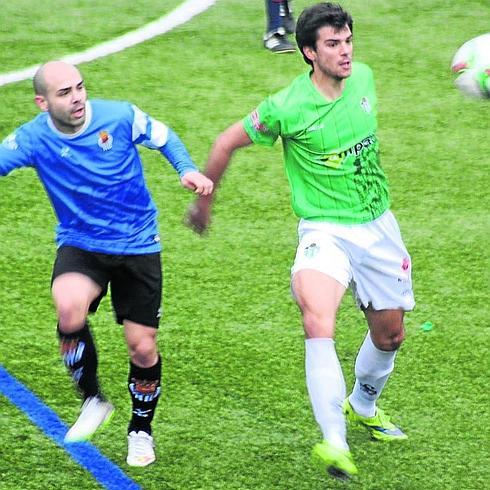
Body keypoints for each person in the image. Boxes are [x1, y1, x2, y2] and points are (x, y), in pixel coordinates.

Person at [187, 2, 414, 481]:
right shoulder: (286, 107)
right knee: (317, 317)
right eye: (333, 44)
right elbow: (226, 141)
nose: (346, 52)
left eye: (348, 40)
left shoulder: (365, 80)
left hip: (377, 227)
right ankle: (334, 441)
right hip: (323, 230)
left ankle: (362, 405)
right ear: (309, 52)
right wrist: (204, 200)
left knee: (390, 334)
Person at [0, 61, 213, 467]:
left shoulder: (118, 116)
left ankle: (140, 429)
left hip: (137, 243)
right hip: (82, 243)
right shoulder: (31, 138)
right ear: (42, 102)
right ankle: (93, 400)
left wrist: (186, 169)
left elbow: (163, 136)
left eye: (79, 87)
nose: (77, 97)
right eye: (64, 93)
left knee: (142, 348)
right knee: (67, 304)